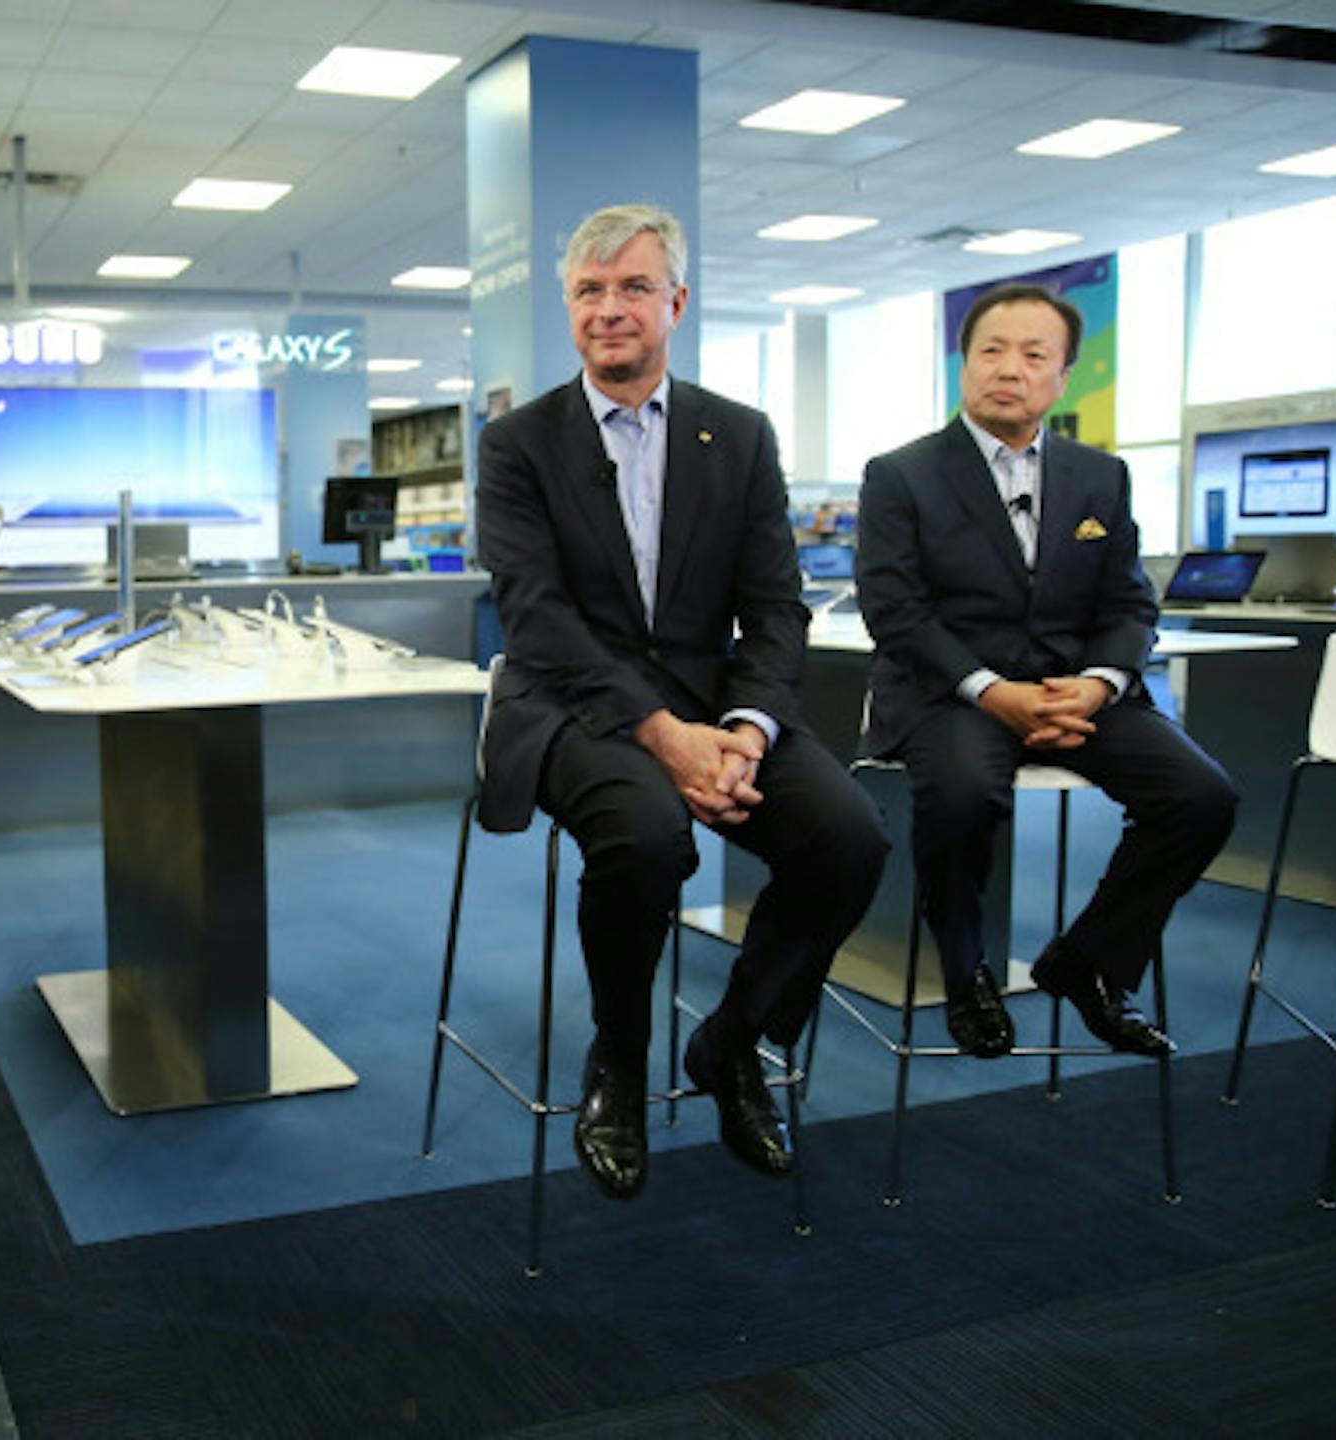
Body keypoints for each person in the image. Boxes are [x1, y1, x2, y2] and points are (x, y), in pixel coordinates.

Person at [476, 204, 887, 1198]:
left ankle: (733, 1040)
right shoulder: (519, 443)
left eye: (633, 287)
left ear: (677, 302)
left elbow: (774, 606)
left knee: (848, 837)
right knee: (648, 838)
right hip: (572, 706)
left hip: (717, 705)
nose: (609, 309)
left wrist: (745, 729)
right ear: (569, 306)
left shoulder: (737, 435)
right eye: (589, 290)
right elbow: (537, 618)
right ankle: (619, 1057)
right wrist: (665, 736)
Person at [856, 283, 1237, 1060]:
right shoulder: (901, 474)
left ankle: (1090, 961)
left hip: (1075, 693)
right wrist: (994, 691)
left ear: (1062, 378)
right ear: (964, 365)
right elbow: (895, 610)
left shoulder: (1102, 477)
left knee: (1202, 797)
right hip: (954, 694)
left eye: (1035, 355)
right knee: (961, 795)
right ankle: (966, 971)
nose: (1010, 369)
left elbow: (1129, 603)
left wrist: (1098, 684)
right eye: (992, 351)